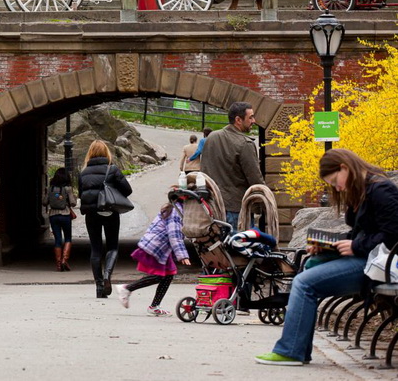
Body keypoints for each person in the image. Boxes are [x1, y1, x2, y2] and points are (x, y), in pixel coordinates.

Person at [255, 149, 398, 366]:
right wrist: (327, 247)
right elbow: (364, 233)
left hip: (379, 264)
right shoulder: (363, 190)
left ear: (344, 167)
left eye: (334, 181)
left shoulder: (380, 190)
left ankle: (291, 351)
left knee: (304, 283)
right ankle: (297, 350)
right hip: (369, 259)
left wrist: (356, 245)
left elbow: (393, 234)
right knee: (308, 267)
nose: (336, 187)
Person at [115, 189, 191, 316]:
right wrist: (182, 255)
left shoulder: (175, 209)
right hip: (157, 247)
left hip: (160, 247)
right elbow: (174, 235)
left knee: (168, 275)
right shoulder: (176, 212)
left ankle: (154, 306)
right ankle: (127, 288)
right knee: (159, 276)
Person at [79, 140, 133, 298]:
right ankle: (107, 275)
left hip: (91, 213)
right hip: (109, 211)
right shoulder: (112, 169)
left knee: (95, 249)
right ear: (106, 153)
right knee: (112, 246)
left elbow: (81, 194)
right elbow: (127, 190)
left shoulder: (83, 173)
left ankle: (99, 286)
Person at [200, 102, 263, 232]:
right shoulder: (245, 144)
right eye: (250, 117)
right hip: (236, 209)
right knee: (239, 250)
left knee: (217, 250)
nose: (254, 121)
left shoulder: (212, 137)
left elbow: (204, 169)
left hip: (212, 206)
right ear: (238, 120)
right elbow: (255, 180)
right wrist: (261, 207)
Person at [43, 167, 77, 271]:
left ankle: (58, 264)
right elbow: (73, 203)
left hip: (53, 215)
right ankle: (64, 260)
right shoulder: (68, 189)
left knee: (57, 239)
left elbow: (44, 202)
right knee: (68, 238)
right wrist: (73, 197)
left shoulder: (51, 189)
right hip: (65, 215)